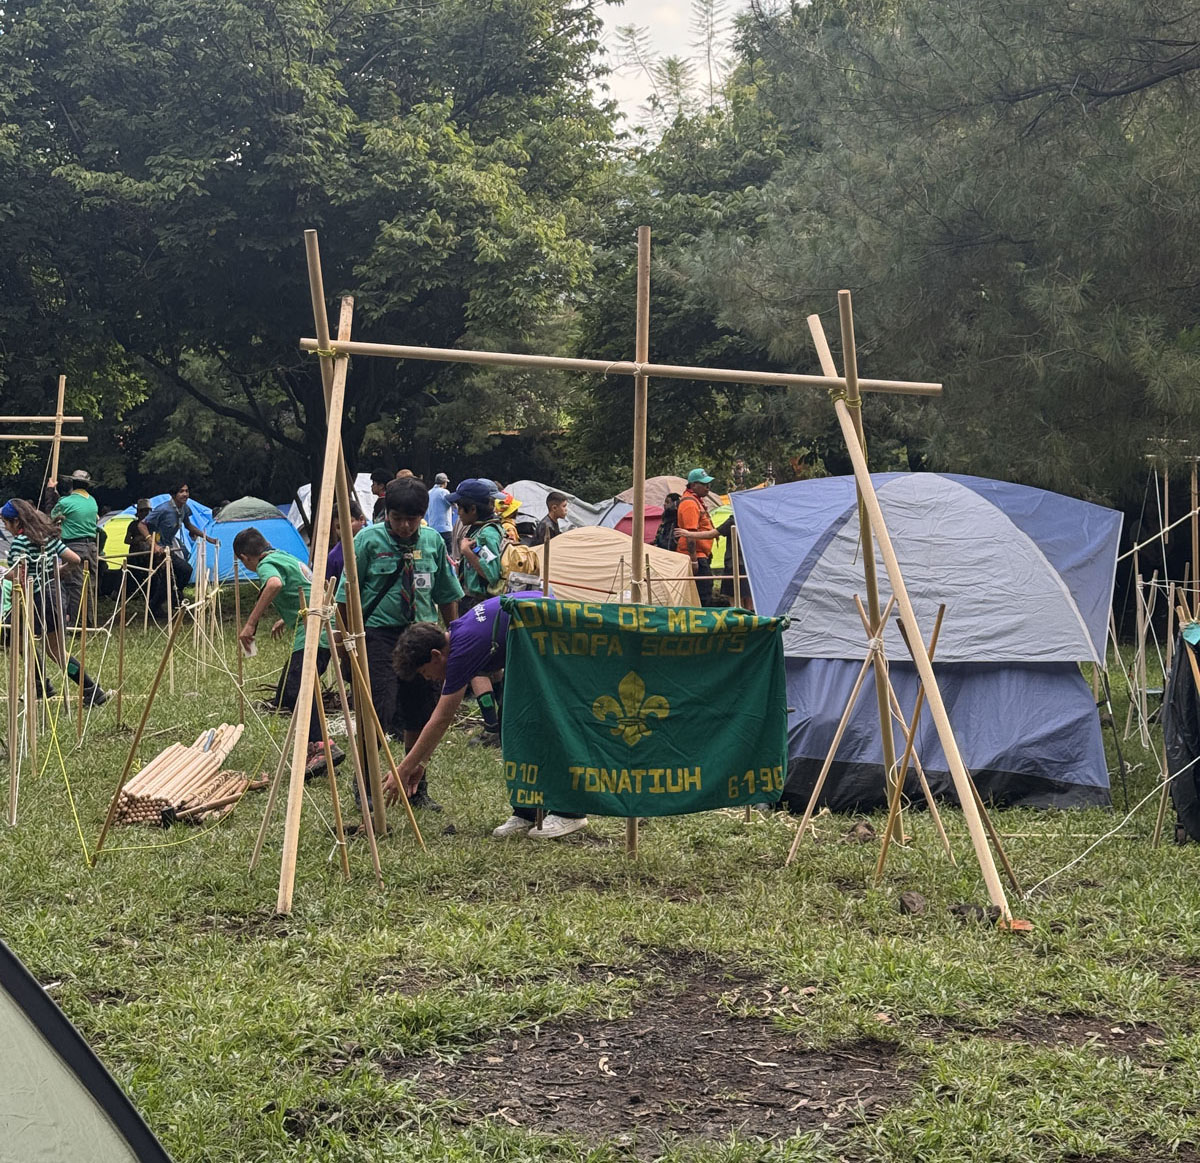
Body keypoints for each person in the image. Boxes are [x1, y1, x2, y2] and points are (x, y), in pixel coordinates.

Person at [390, 599, 588, 839]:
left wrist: (403, 769)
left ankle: (569, 811)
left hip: (559, 649)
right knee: (512, 724)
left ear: (435, 655)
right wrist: (420, 764)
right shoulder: (458, 632)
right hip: (534, 654)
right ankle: (527, 810)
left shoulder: (462, 649)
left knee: (546, 728)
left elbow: (442, 718)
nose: (429, 678)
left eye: (424, 672)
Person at [338, 477, 462, 810]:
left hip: (423, 634)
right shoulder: (365, 541)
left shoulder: (434, 542)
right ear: (386, 513)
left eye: (413, 519)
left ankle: (414, 785)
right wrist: (347, 640)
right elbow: (345, 597)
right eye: (397, 518)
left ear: (423, 515)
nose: (405, 526)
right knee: (380, 709)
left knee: (420, 711)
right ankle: (365, 785)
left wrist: (456, 639)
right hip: (378, 636)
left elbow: (447, 593)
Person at [233, 528, 343, 776]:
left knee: (296, 690)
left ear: (244, 557)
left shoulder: (266, 565)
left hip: (315, 633)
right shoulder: (286, 557)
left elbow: (274, 583)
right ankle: (319, 750)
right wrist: (288, 616)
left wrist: (251, 623)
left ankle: (321, 747)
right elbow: (302, 585)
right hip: (324, 625)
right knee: (287, 691)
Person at [1, 499, 107, 705]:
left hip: (37, 598)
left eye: (6, 523)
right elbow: (75, 559)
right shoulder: (46, 537)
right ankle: (57, 686)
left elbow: (18, 576)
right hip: (55, 595)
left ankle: (85, 688)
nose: (6, 527)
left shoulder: (20, 543)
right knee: (33, 643)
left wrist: (5, 574)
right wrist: (55, 572)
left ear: (16, 522)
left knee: (31, 643)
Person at [143, 484, 218, 617]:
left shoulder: (184, 508)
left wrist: (207, 538)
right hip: (159, 550)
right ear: (174, 494)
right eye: (181, 491)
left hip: (170, 548)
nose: (185, 494)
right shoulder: (163, 509)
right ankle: (167, 600)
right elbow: (141, 524)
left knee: (173, 579)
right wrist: (153, 544)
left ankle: (160, 604)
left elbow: (189, 525)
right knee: (183, 570)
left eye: (187, 491)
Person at [50, 469, 100, 627]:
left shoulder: (65, 502)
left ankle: (78, 623)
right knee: (90, 584)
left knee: (75, 585)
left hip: (73, 546)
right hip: (91, 546)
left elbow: (52, 516)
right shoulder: (92, 501)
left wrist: (50, 492)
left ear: (71, 483)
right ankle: (89, 622)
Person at [450, 478, 505, 612]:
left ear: (473, 509)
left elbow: (491, 574)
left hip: (479, 602)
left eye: (460, 508)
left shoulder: (486, 534)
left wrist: (467, 552)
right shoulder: (477, 528)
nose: (458, 513)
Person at [674, 468, 726, 607]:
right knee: (703, 593)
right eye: (704, 484)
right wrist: (694, 561)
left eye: (708, 483)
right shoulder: (690, 503)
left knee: (703, 590)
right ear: (693, 485)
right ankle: (701, 622)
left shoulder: (696, 501)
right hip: (695, 556)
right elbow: (690, 535)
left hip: (701, 554)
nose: (708, 487)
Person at [326, 499, 366, 585]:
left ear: (361, 519)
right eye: (338, 527)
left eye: (347, 523)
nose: (343, 530)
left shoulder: (374, 542)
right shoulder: (334, 556)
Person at [425, 472, 454, 553]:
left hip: (432, 527)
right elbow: (452, 503)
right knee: (449, 552)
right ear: (444, 483)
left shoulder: (429, 493)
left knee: (436, 551)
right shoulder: (444, 492)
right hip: (445, 528)